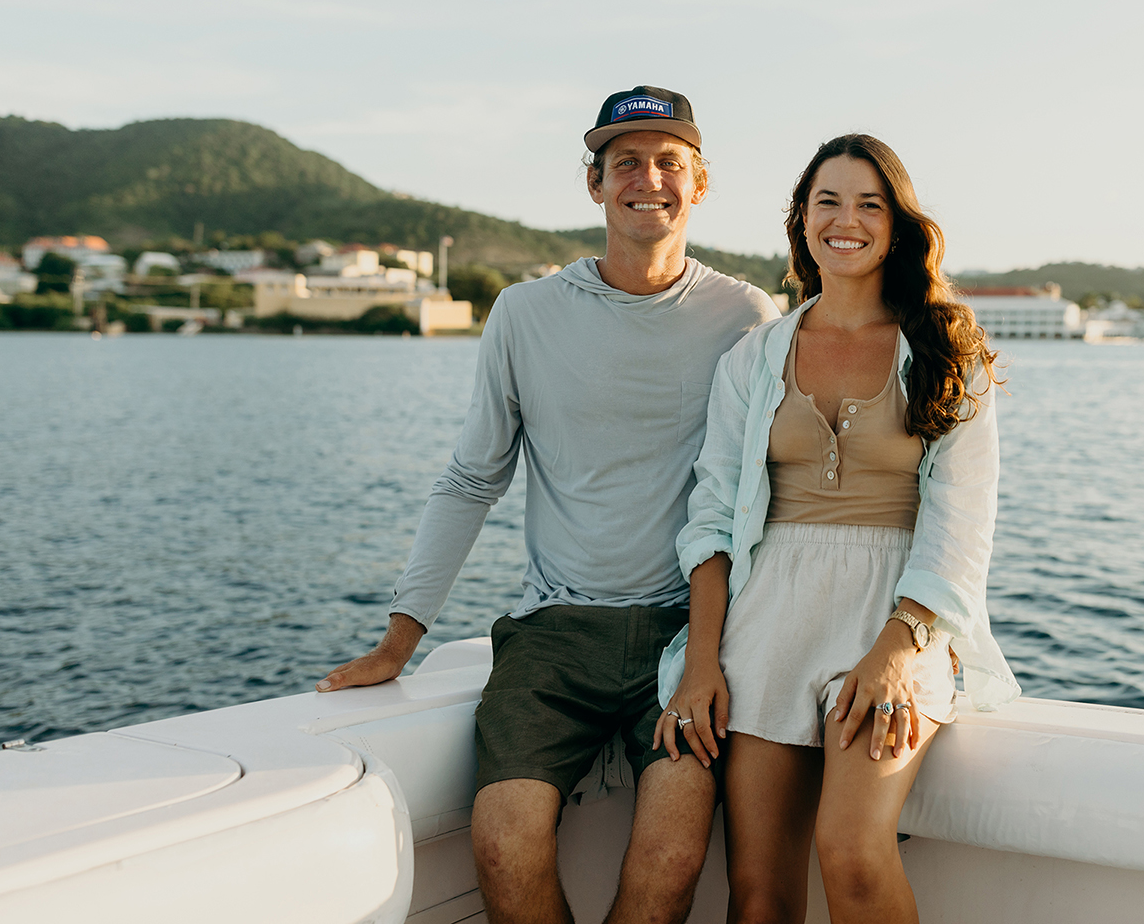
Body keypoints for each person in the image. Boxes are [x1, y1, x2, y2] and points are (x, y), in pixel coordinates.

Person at [315, 85, 779, 924]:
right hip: (554, 633)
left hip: (690, 639)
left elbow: (772, 494)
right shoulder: (525, 313)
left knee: (672, 857)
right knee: (502, 840)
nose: (649, 180)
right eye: (625, 163)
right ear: (594, 184)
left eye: (669, 163)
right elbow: (470, 479)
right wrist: (399, 638)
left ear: (700, 184)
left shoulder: (745, 317)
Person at [655, 134, 1020, 923]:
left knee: (853, 853)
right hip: (766, 623)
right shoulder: (753, 359)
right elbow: (712, 521)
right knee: (757, 896)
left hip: (895, 621)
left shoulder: (946, 351)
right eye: (828, 201)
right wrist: (702, 664)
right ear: (802, 220)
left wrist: (898, 652)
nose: (845, 219)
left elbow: (963, 522)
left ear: (897, 224)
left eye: (869, 203)